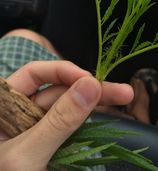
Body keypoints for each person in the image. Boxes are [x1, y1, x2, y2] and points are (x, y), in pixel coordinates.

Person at [0, 29, 134, 171]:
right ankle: (136, 114)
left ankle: (117, 111)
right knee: (25, 36)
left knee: (24, 35)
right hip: (78, 158)